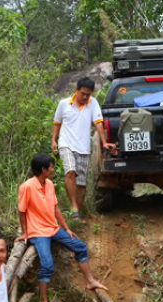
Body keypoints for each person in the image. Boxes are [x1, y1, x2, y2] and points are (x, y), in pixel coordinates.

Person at [17, 153, 108, 302]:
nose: (53, 169)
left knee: (80, 246)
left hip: (53, 228)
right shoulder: (27, 187)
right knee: (47, 264)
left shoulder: (49, 184)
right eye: (51, 166)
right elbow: (22, 211)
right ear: (43, 170)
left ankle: (90, 281)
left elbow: (55, 208)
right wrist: (25, 232)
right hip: (37, 231)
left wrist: (66, 228)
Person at [52, 77, 112, 221]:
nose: (85, 97)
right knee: (70, 172)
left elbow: (98, 123)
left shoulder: (93, 104)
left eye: (88, 94)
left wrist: (104, 142)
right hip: (66, 143)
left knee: (81, 185)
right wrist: (54, 140)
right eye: (83, 93)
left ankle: (76, 213)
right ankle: (73, 207)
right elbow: (57, 122)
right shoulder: (64, 104)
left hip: (83, 147)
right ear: (77, 90)